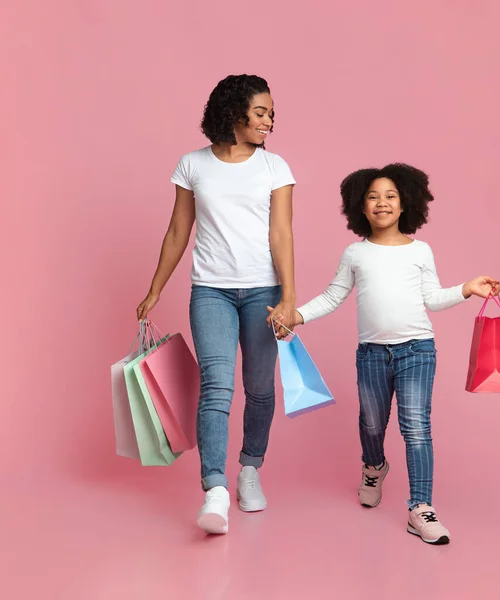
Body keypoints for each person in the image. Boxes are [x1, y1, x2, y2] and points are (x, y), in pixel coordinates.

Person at [277, 163, 500, 545]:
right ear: (360, 208)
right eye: (373, 197)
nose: (382, 202)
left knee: (416, 427)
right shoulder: (355, 254)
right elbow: (333, 297)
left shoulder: (420, 251)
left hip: (418, 351)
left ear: (405, 204)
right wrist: (296, 316)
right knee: (372, 424)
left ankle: (421, 507)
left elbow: (432, 298)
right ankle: (374, 465)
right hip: (372, 355)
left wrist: (467, 287)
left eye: (390, 196)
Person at [137, 74, 297, 535]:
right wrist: (155, 289)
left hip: (264, 293)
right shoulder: (193, 165)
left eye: (272, 113)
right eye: (262, 112)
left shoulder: (275, 168)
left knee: (260, 388)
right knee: (217, 386)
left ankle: (249, 469)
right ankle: (215, 490)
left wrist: (288, 297)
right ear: (234, 112)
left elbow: (282, 234)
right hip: (210, 291)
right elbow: (176, 232)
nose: (270, 121)